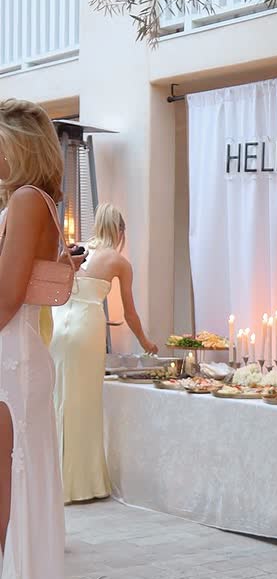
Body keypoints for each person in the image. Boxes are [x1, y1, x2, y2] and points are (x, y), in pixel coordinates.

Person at [0, 99, 67, 579]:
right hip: (14, 358)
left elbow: (5, 298)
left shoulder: (26, 201)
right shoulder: (31, 201)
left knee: (8, 501)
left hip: (11, 364)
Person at [51, 203, 157, 503]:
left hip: (59, 323)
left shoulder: (76, 249)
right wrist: (146, 343)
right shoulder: (119, 262)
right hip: (87, 328)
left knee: (59, 399)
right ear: (121, 231)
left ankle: (54, 481)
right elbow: (130, 313)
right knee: (84, 404)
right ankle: (82, 484)